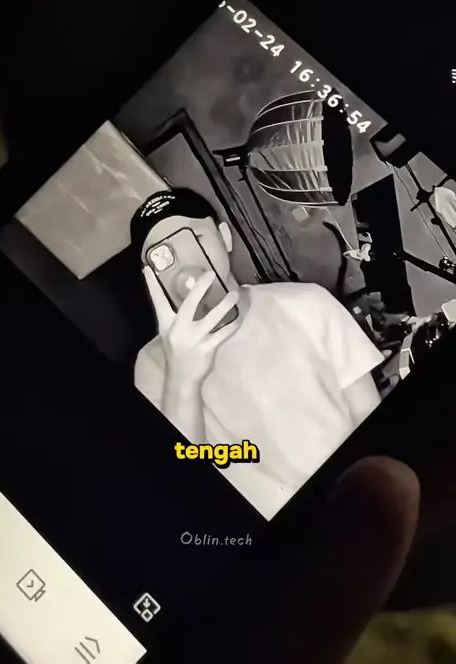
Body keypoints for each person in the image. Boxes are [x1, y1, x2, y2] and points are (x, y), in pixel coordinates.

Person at [131, 188, 385, 520]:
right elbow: (184, 487)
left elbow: (370, 417)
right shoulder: (153, 364)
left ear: (224, 237)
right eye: (162, 257)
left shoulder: (308, 303)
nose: (185, 265)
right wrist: (183, 379)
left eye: (193, 238)